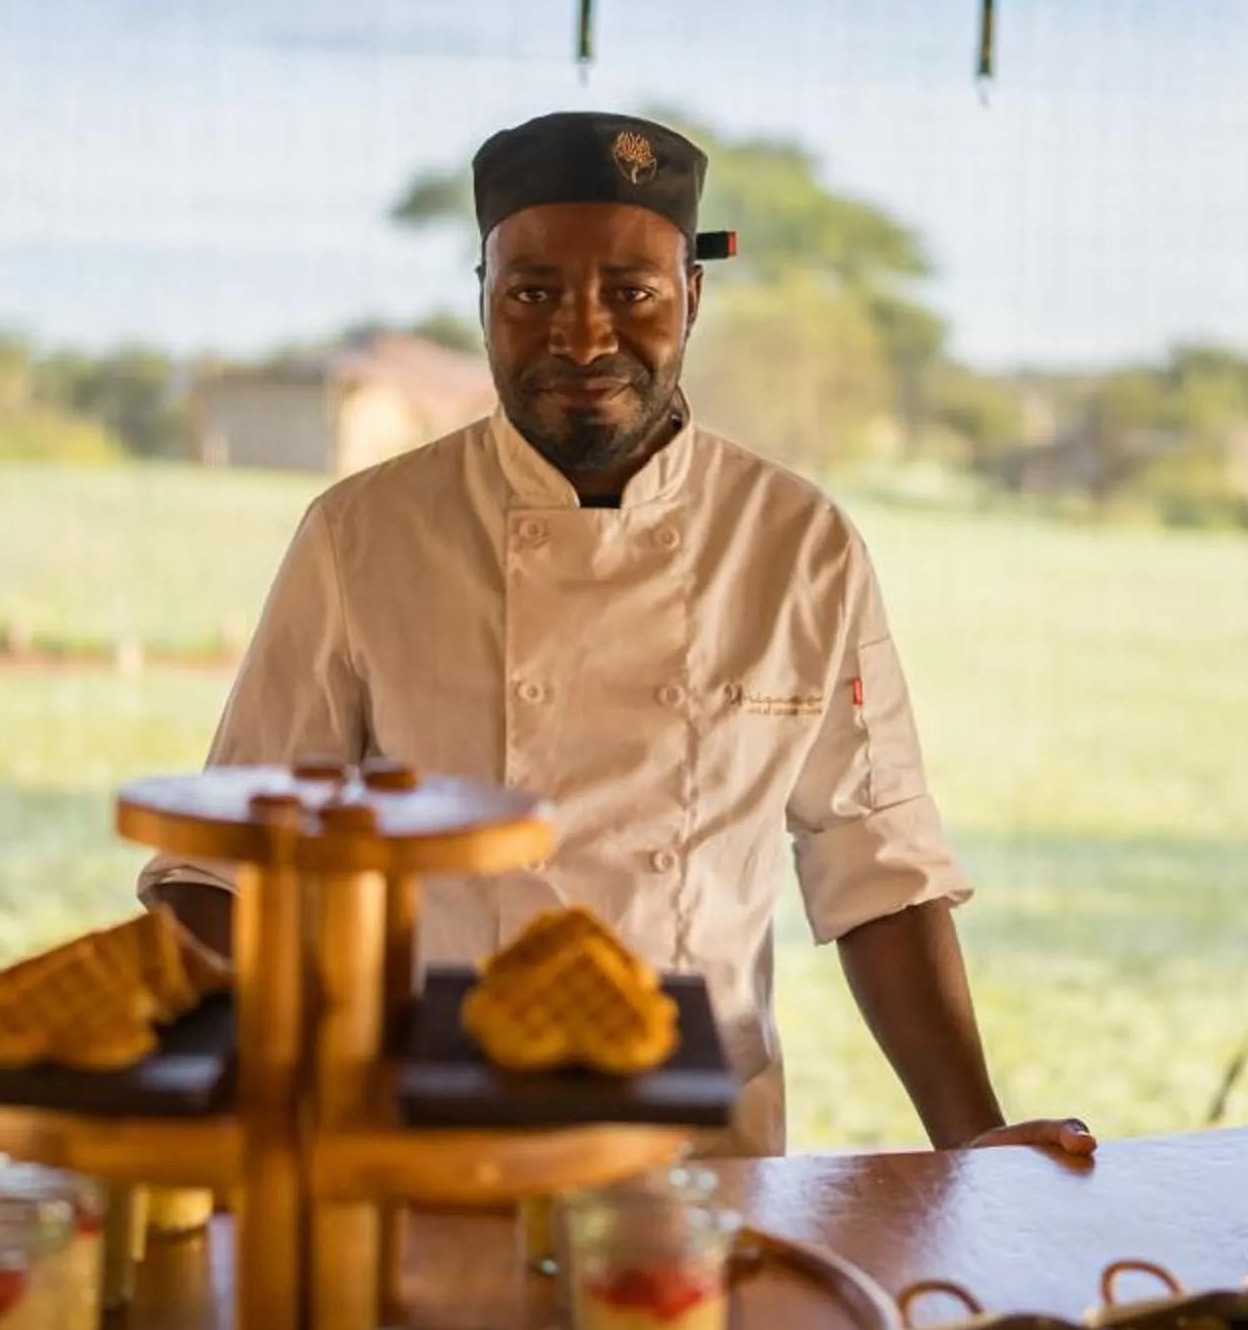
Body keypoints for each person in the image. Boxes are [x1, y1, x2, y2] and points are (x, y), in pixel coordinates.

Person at [142, 110, 1091, 1162]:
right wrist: (188, 1099)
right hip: (428, 1140)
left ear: (693, 292)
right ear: (485, 299)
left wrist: (975, 1136)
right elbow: (228, 864)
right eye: (532, 292)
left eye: (632, 294)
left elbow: (875, 857)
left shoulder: (796, 542)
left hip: (704, 1154)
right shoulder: (363, 536)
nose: (582, 336)